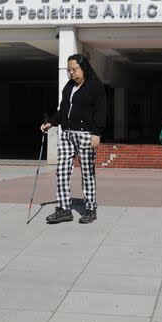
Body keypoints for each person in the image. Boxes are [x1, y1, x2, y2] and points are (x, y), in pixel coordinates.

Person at [40, 53, 106, 224]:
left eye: (74, 70)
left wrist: (97, 133)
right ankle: (64, 209)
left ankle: (90, 209)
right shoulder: (68, 87)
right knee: (61, 171)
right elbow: (63, 110)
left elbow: (101, 111)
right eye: (69, 70)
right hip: (67, 134)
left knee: (87, 173)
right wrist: (51, 123)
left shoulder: (95, 86)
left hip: (86, 135)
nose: (71, 74)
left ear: (83, 68)